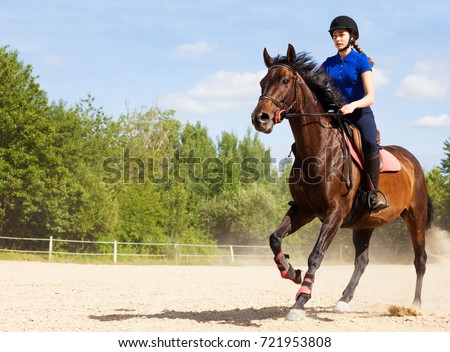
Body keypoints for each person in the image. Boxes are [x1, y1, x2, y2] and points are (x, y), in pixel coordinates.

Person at [322, 15, 388, 213]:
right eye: (334, 35)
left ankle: (372, 192)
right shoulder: (328, 63)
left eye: (341, 34)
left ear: (351, 36)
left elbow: (371, 97)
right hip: (336, 116)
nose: (337, 39)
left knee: (368, 142)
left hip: (360, 114)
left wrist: (353, 106)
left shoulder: (361, 61)